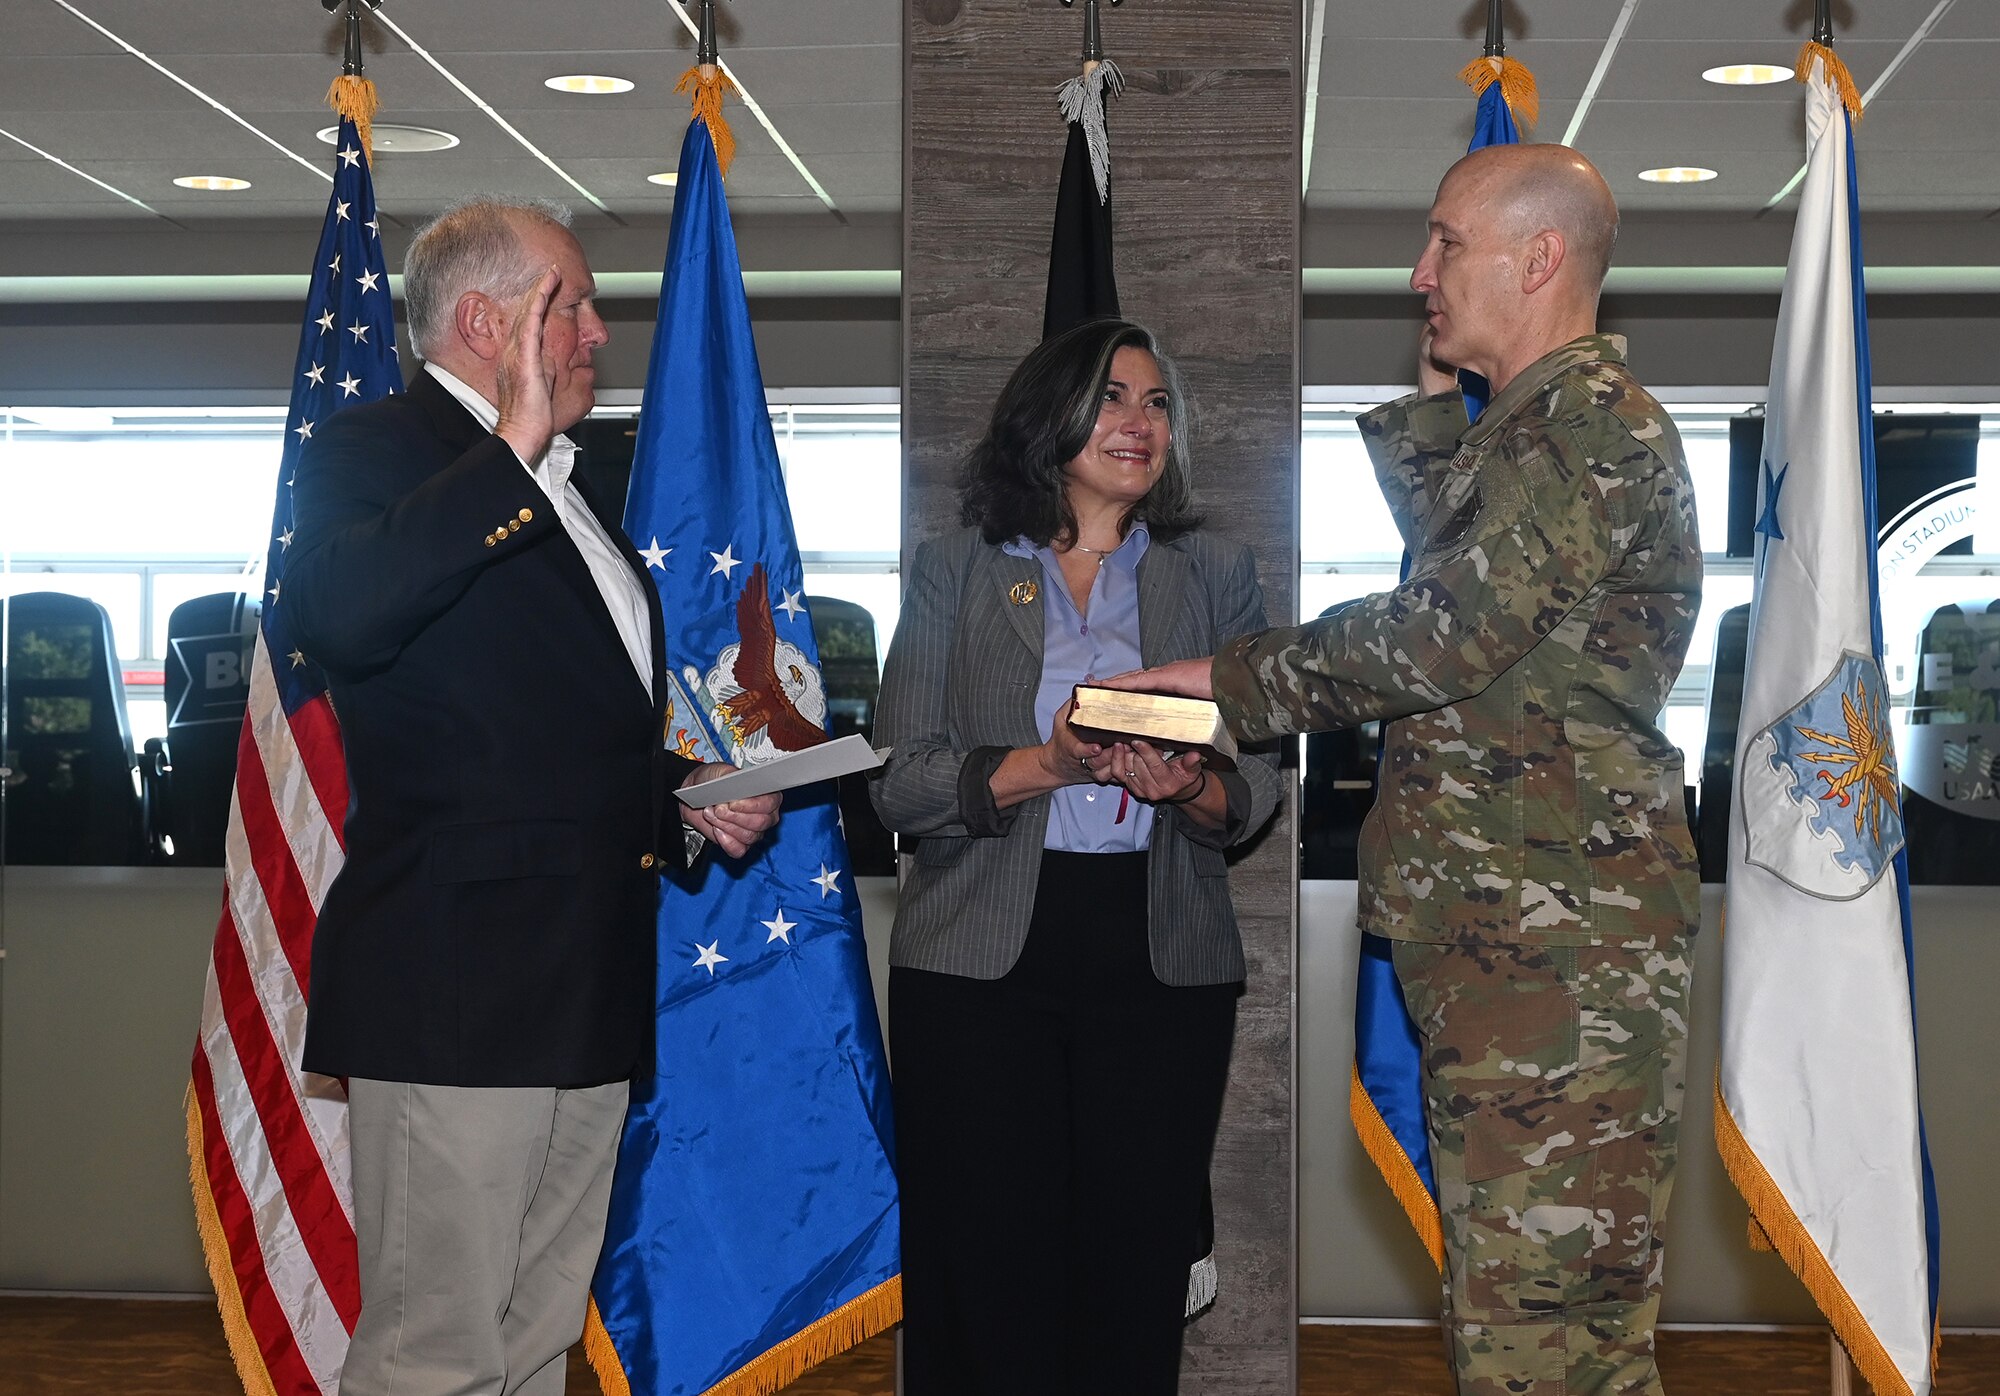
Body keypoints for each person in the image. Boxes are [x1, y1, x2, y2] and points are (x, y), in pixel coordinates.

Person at [1117, 144, 1702, 1394]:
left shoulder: (1590, 425)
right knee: (1509, 1315)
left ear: (1537, 258)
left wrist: (1224, 683)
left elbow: (1441, 631)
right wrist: (1443, 391)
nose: (1415, 272)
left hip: (1559, 956)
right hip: (1514, 937)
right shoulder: (1536, 430)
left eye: (1444, 243)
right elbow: (1465, 574)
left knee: (1553, 1342)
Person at [286, 197, 780, 1396]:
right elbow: (340, 615)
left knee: (534, 1339)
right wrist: (504, 449)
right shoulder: (374, 452)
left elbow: (547, 732)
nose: (600, 332)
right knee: (433, 1353)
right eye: (571, 304)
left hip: (585, 983)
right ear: (481, 319)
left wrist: (686, 798)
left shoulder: (572, 488)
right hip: (457, 984)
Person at [869, 318, 1283, 1395]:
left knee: (1132, 1270)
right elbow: (900, 781)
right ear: (1044, 417)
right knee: (985, 1273)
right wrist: (1047, 764)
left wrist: (1189, 785)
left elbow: (1262, 786)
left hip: (1157, 962)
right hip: (976, 968)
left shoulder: (1215, 573)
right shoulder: (953, 570)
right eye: (1108, 398)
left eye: (1154, 404)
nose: (1136, 423)